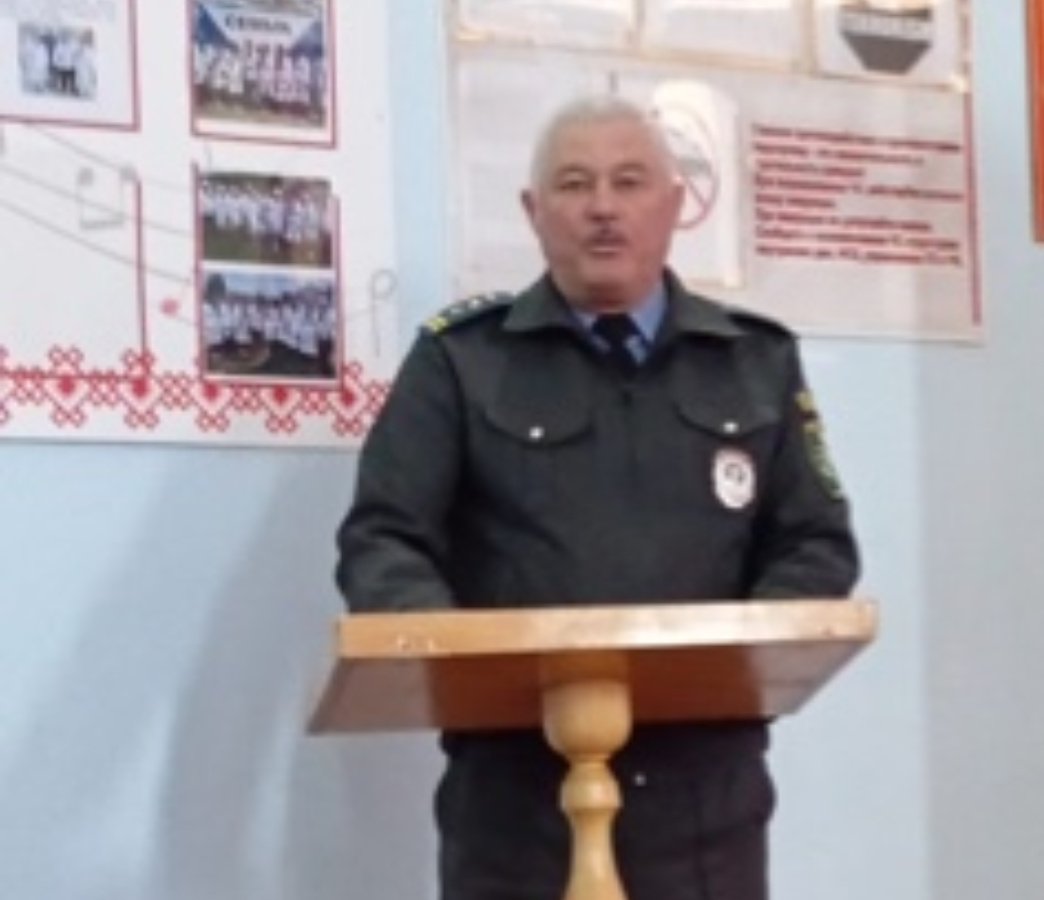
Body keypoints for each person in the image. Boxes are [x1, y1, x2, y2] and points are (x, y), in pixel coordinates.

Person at [333, 94, 861, 900]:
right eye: (575, 184)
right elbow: (383, 539)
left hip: (703, 802)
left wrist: (731, 666)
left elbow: (816, 545)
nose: (604, 207)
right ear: (534, 211)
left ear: (675, 205)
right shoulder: (462, 362)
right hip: (515, 804)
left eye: (630, 181)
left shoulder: (754, 362)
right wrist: (458, 664)